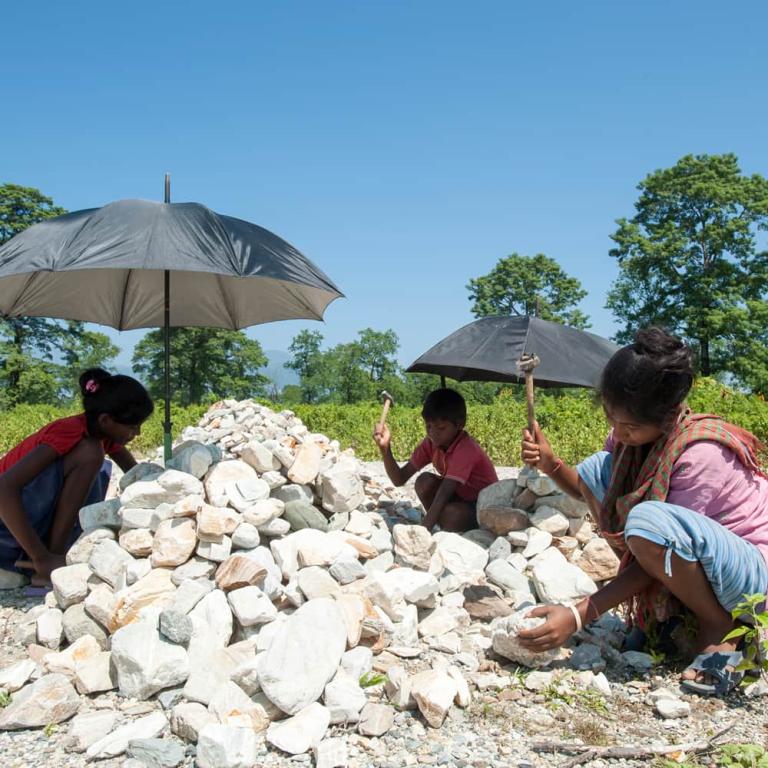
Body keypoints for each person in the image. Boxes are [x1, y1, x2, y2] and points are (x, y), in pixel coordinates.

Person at [517, 327, 768, 695]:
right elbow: (595, 494)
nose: (618, 433)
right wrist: (552, 463)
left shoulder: (701, 454)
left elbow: (655, 543)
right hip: (702, 562)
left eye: (630, 426)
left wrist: (579, 614)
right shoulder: (630, 441)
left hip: (752, 573)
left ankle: (722, 627)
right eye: (611, 419)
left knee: (646, 521)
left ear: (667, 417)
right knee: (596, 468)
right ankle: (677, 613)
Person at [0, 368, 153, 585]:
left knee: (99, 463)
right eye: (132, 426)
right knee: (92, 455)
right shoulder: (69, 432)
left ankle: (50, 556)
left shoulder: (103, 434)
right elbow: (4, 488)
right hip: (6, 526)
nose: (136, 434)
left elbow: (136, 476)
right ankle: (48, 562)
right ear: (106, 420)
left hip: (25, 528)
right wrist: (42, 558)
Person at [372, 388, 498, 532]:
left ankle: (442, 525)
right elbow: (399, 479)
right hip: (460, 497)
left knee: (452, 515)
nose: (432, 433)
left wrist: (422, 532)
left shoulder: (466, 448)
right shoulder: (430, 444)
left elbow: (444, 493)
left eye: (440, 428)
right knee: (424, 481)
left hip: (485, 505)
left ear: (460, 425)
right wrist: (385, 449)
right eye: (428, 426)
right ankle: (441, 525)